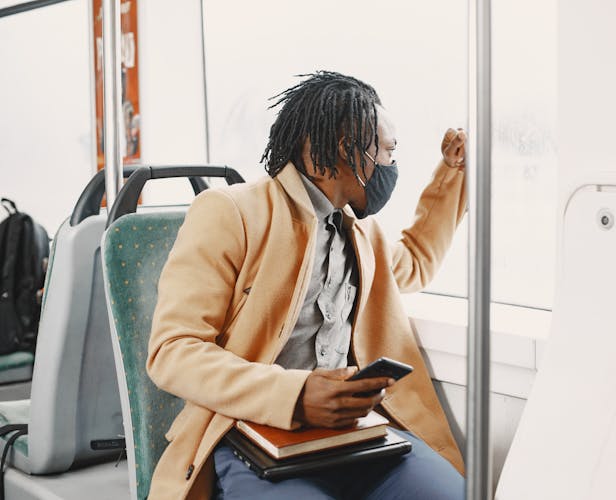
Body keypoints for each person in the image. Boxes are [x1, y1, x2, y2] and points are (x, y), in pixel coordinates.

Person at [146, 71, 468, 499]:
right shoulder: (229, 213)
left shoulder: (359, 230)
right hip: (248, 432)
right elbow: (173, 351)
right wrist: (296, 395)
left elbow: (413, 263)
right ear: (345, 149)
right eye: (388, 151)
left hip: (358, 436)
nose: (393, 165)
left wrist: (453, 172)